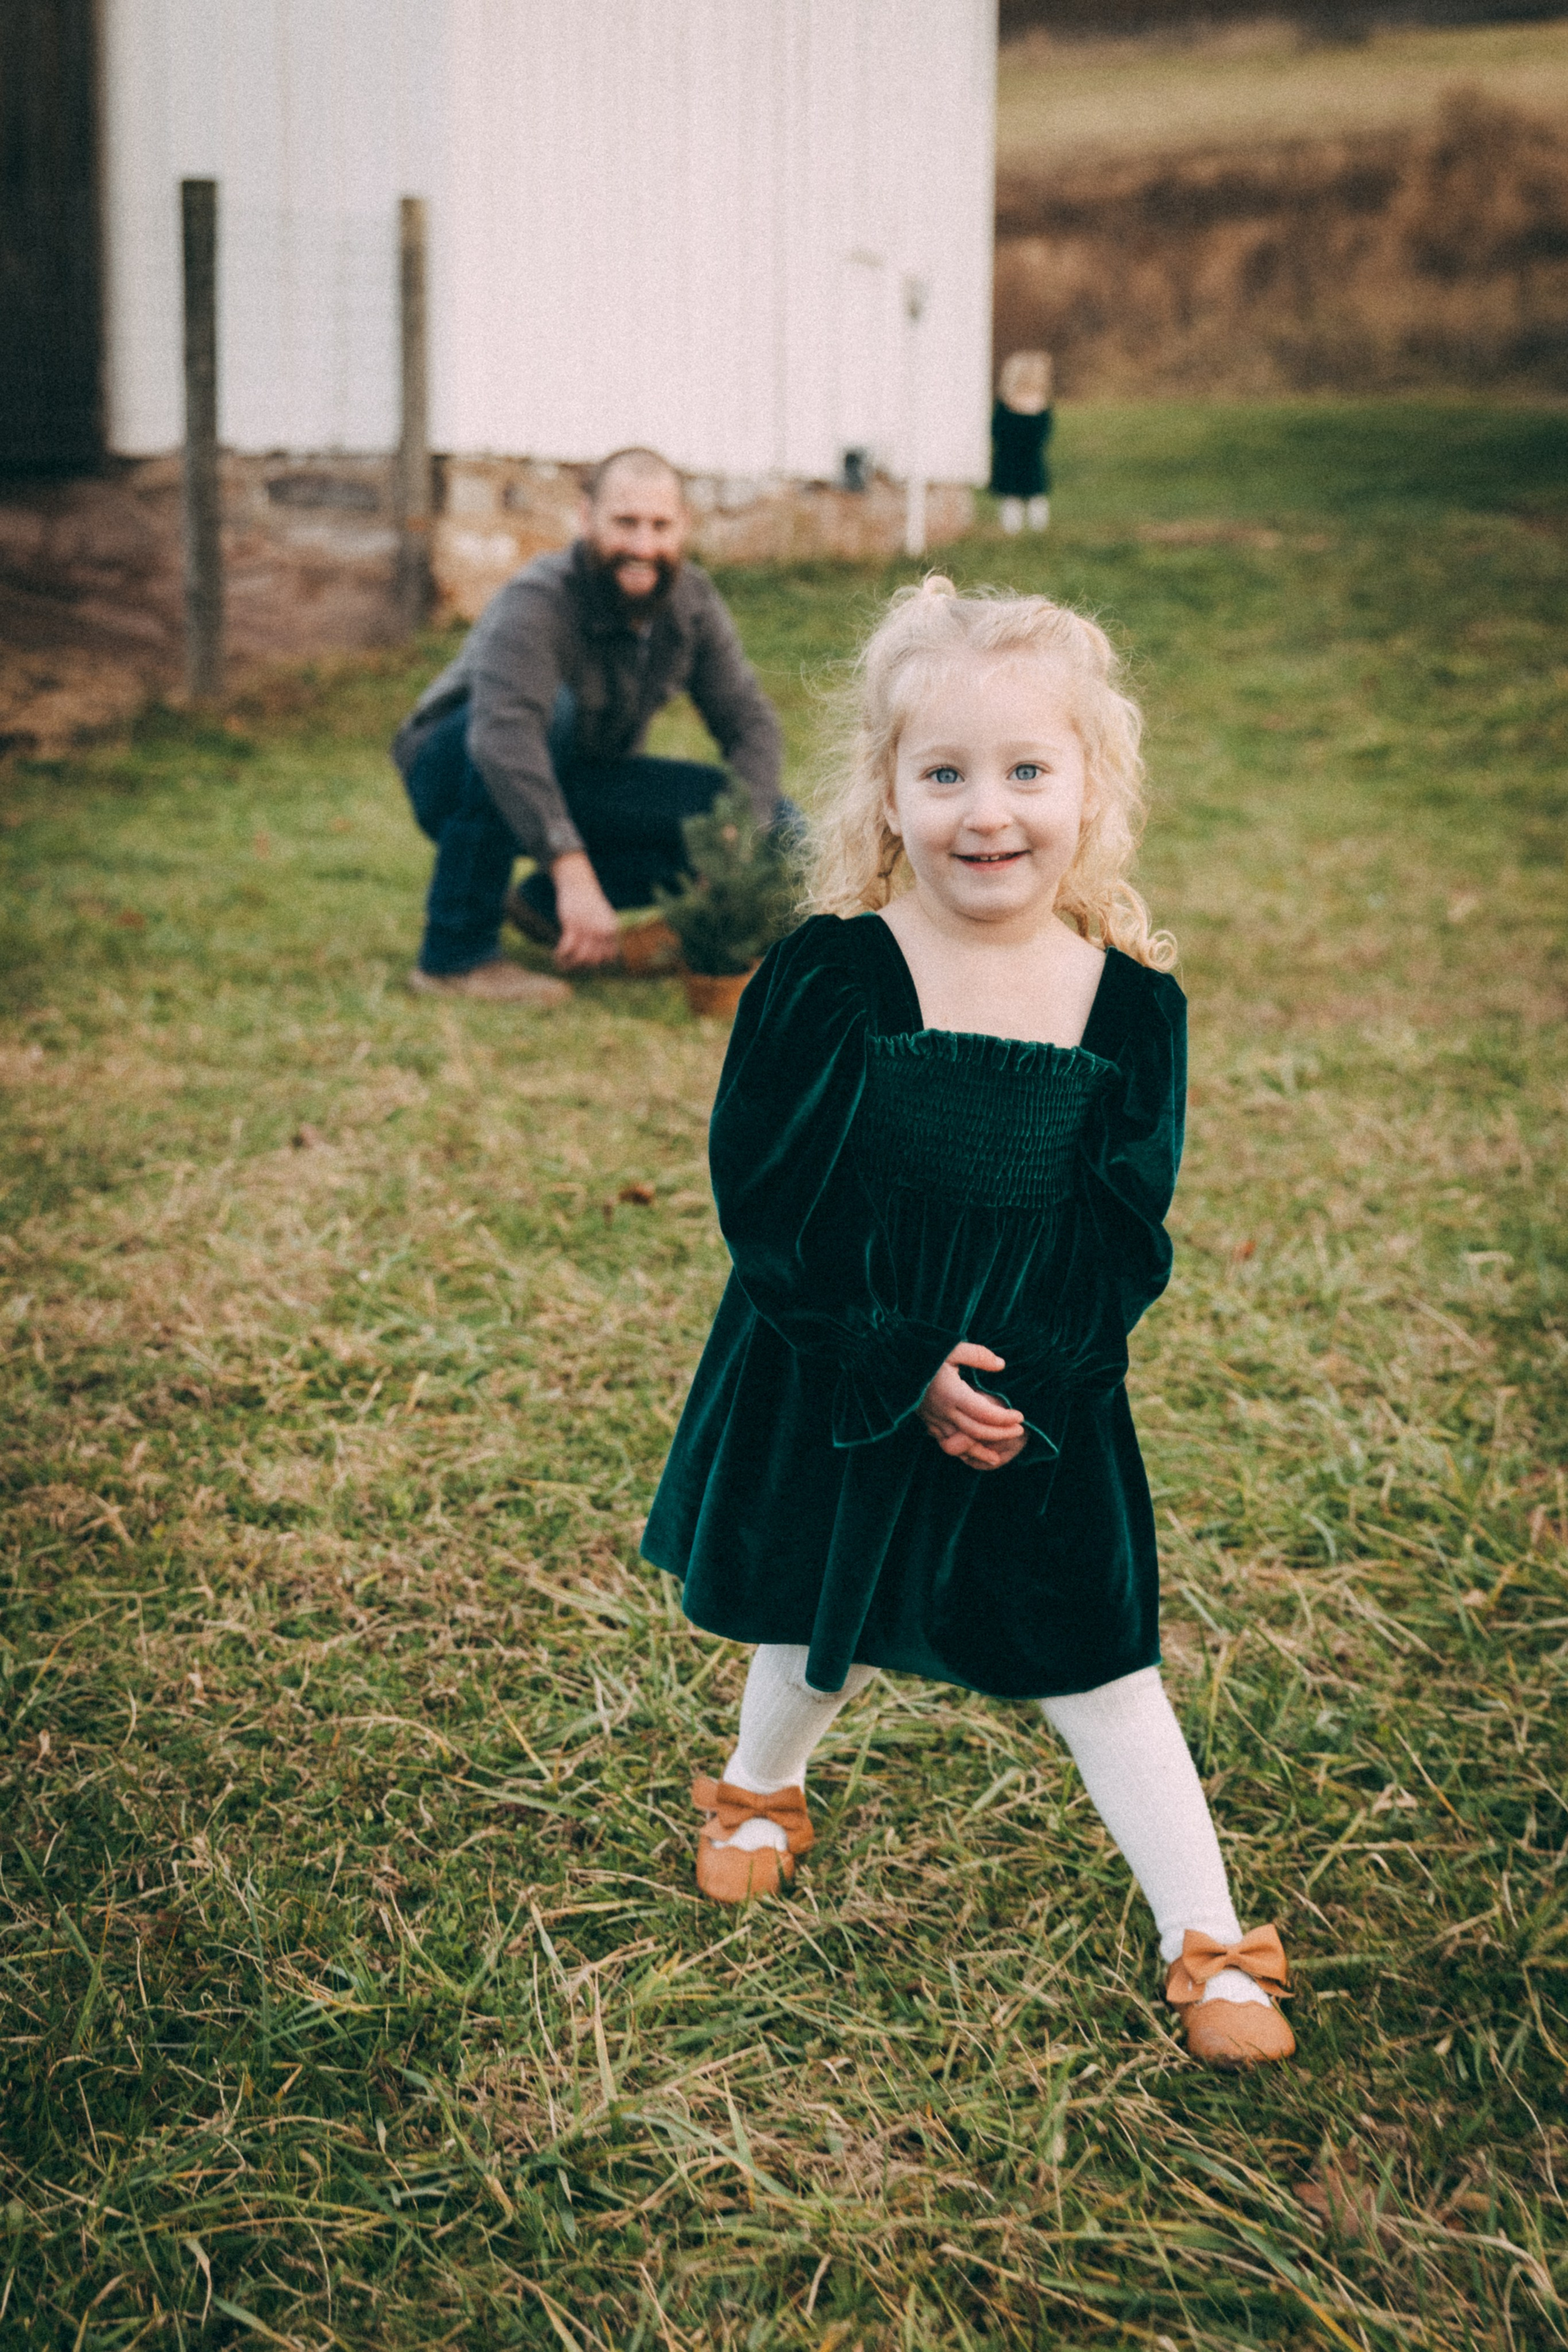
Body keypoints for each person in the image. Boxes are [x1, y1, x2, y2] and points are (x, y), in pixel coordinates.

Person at [642, 578, 1296, 2069]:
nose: (983, 811)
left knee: (1095, 1651)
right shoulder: (829, 974)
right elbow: (768, 1195)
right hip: (844, 1351)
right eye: (940, 773)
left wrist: (1034, 1374)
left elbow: (1125, 1222)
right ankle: (757, 1783)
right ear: (884, 790)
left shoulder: (1126, 1004)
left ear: (1090, 786)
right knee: (826, 1601)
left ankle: (1205, 1934)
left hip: (1032, 1377)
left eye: (1023, 770)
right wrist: (891, 1360)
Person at [392, 447, 786, 1002]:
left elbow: (751, 724)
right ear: (586, 520)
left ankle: (541, 907)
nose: (643, 547)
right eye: (624, 523)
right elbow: (504, 738)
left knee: (781, 826)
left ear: (684, 528)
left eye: (659, 526)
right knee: (550, 714)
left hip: (582, 778)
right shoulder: (537, 599)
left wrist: (738, 834)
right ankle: (455, 957)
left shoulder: (692, 603)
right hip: (455, 766)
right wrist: (571, 868)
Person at [990, 350, 1054, 535]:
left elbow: (996, 431)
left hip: (1012, 458)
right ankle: (1033, 529)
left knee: (1017, 498)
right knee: (1032, 497)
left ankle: (1016, 530)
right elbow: (1044, 435)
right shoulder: (1042, 407)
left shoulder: (1005, 406)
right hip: (1028, 458)